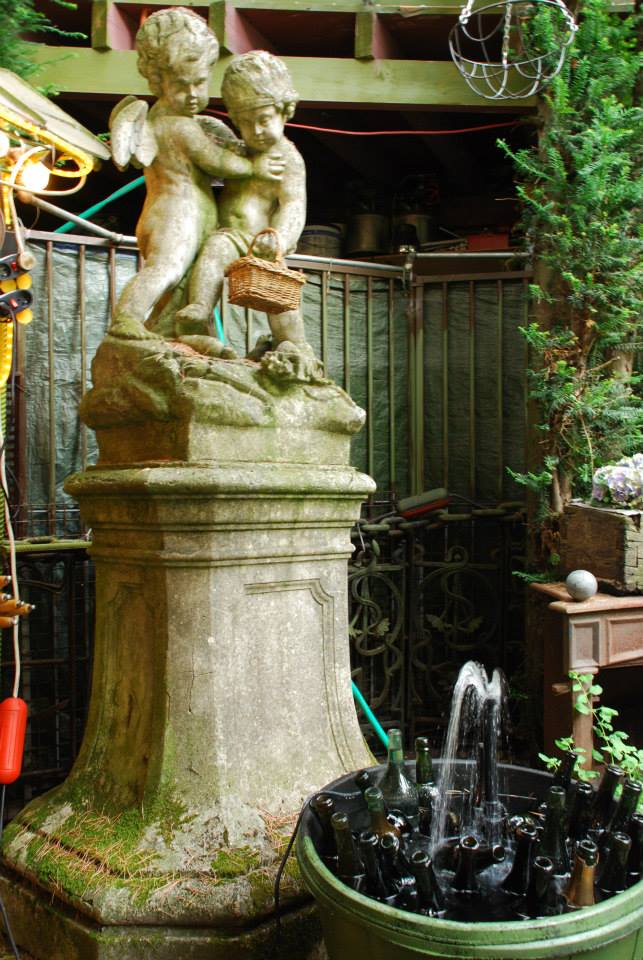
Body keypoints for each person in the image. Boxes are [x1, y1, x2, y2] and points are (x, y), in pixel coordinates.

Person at [108, 9, 284, 342]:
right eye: (180, 85)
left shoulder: (187, 122)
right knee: (167, 268)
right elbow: (216, 161)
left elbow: (214, 142)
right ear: (157, 82)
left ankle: (177, 334)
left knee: (185, 283)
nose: (192, 94)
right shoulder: (176, 125)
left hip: (188, 215)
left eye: (200, 83)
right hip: (175, 214)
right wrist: (253, 167)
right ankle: (126, 319)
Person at [173, 51, 322, 381]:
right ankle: (200, 308)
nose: (256, 130)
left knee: (279, 296)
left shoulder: (288, 159)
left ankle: (294, 344)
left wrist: (279, 239)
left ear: (284, 111)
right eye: (246, 122)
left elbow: (293, 205)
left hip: (264, 243)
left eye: (264, 119)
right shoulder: (236, 153)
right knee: (213, 252)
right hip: (231, 234)